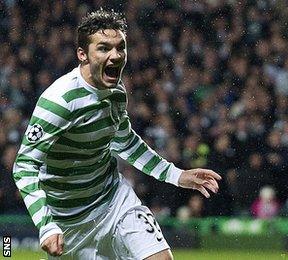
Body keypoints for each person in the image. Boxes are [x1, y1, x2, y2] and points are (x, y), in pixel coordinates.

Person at [12, 9, 221, 259]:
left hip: (114, 202)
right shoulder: (60, 101)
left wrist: (177, 175)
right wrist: (46, 225)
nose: (115, 56)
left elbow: (125, 141)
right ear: (83, 55)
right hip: (68, 223)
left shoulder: (117, 91)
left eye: (120, 47)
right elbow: (24, 166)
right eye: (103, 48)